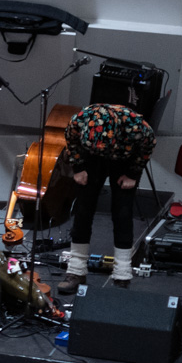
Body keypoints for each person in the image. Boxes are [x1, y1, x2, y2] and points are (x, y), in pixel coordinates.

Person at [58, 102, 156, 292]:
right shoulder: (80, 119)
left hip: (124, 157)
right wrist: (78, 168)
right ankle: (76, 271)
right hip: (91, 159)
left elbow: (149, 144)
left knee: (123, 211)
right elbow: (71, 139)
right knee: (83, 209)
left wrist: (133, 174)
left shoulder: (135, 126)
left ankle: (122, 274)